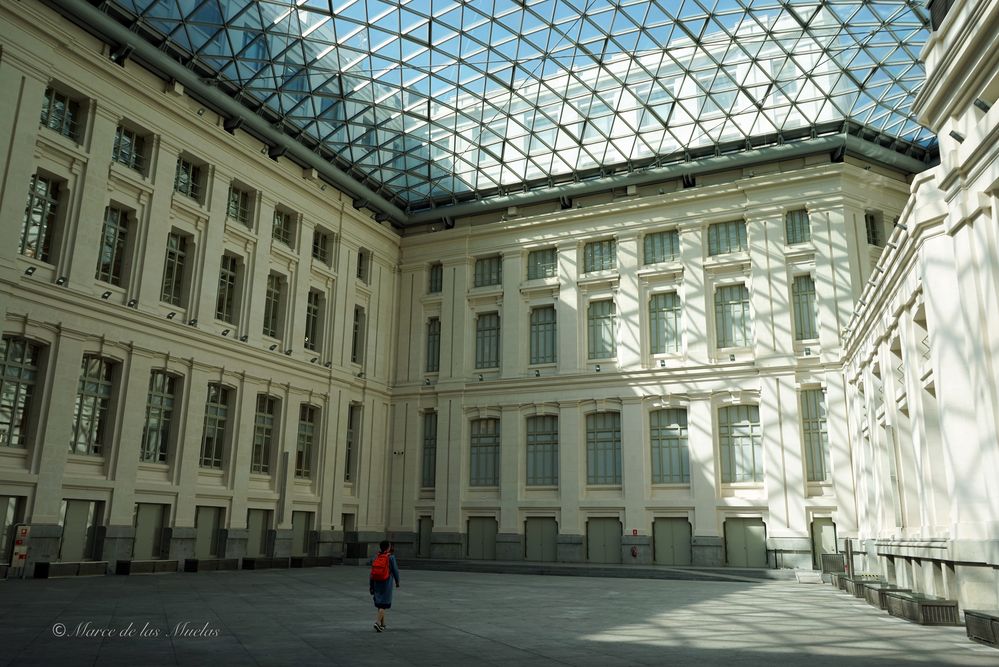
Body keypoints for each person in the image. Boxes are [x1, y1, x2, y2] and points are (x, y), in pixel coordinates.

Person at [369, 540, 400, 632]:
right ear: (388, 547)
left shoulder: (377, 556)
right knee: (384, 604)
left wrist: (371, 585)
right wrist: (397, 581)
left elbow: (372, 573)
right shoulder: (391, 557)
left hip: (376, 582)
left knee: (380, 602)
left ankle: (382, 624)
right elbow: (395, 570)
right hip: (386, 582)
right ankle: (377, 623)